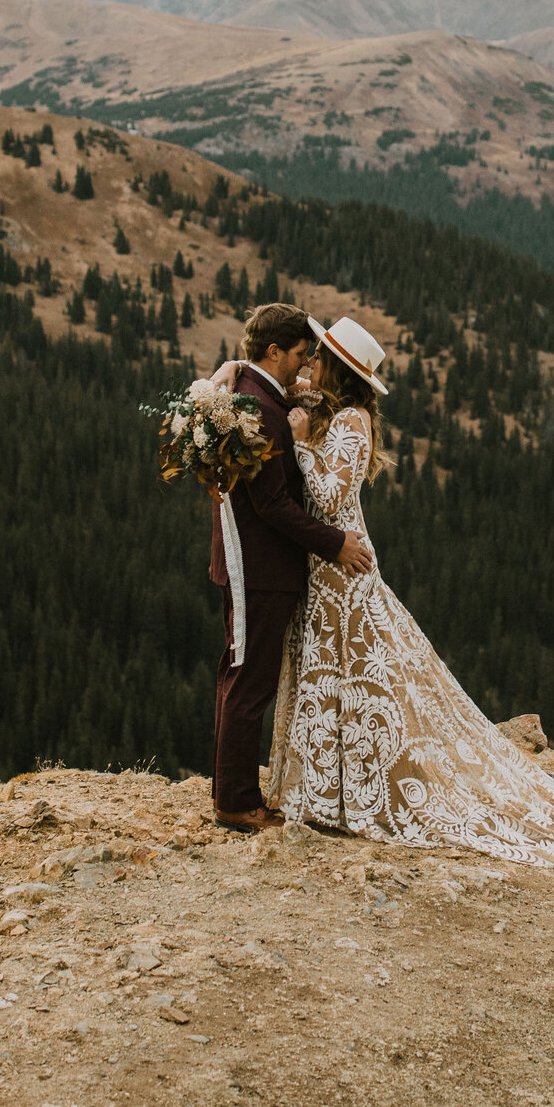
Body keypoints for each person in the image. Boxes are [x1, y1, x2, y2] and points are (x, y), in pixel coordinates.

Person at [236, 311, 554, 867]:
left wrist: (299, 445)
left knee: (356, 682)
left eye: (319, 358)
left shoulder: (351, 422)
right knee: (331, 679)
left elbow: (328, 498)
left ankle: (346, 792)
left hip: (342, 573)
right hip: (323, 572)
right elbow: (278, 390)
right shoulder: (336, 411)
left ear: (339, 371)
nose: (310, 365)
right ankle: (328, 791)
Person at [206, 303, 375, 834]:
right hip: (261, 566)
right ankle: (236, 802)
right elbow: (273, 504)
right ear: (274, 352)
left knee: (239, 677)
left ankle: (235, 792)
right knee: (249, 683)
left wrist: (231, 367)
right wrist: (335, 544)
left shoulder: (254, 394)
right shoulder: (260, 408)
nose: (306, 367)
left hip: (256, 565)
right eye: (301, 354)